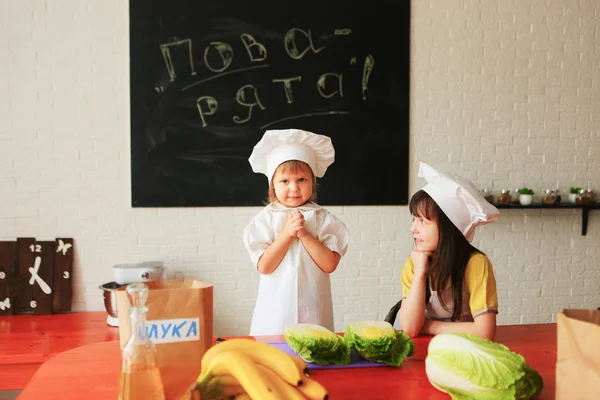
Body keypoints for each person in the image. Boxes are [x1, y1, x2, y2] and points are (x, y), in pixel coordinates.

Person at [243, 128, 349, 336]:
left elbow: (329, 264)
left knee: (314, 350)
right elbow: (264, 266)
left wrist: (305, 235)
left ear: (313, 182)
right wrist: (287, 234)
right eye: (284, 181)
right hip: (275, 310)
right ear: (272, 185)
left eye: (302, 180)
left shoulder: (324, 220)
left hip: (314, 308)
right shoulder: (264, 221)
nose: (294, 188)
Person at [398, 162, 500, 341]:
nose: (413, 228)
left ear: (449, 227)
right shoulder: (415, 262)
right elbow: (410, 328)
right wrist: (420, 273)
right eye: (414, 219)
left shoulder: (476, 264)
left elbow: (485, 332)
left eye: (423, 221)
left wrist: (428, 325)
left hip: (468, 349)